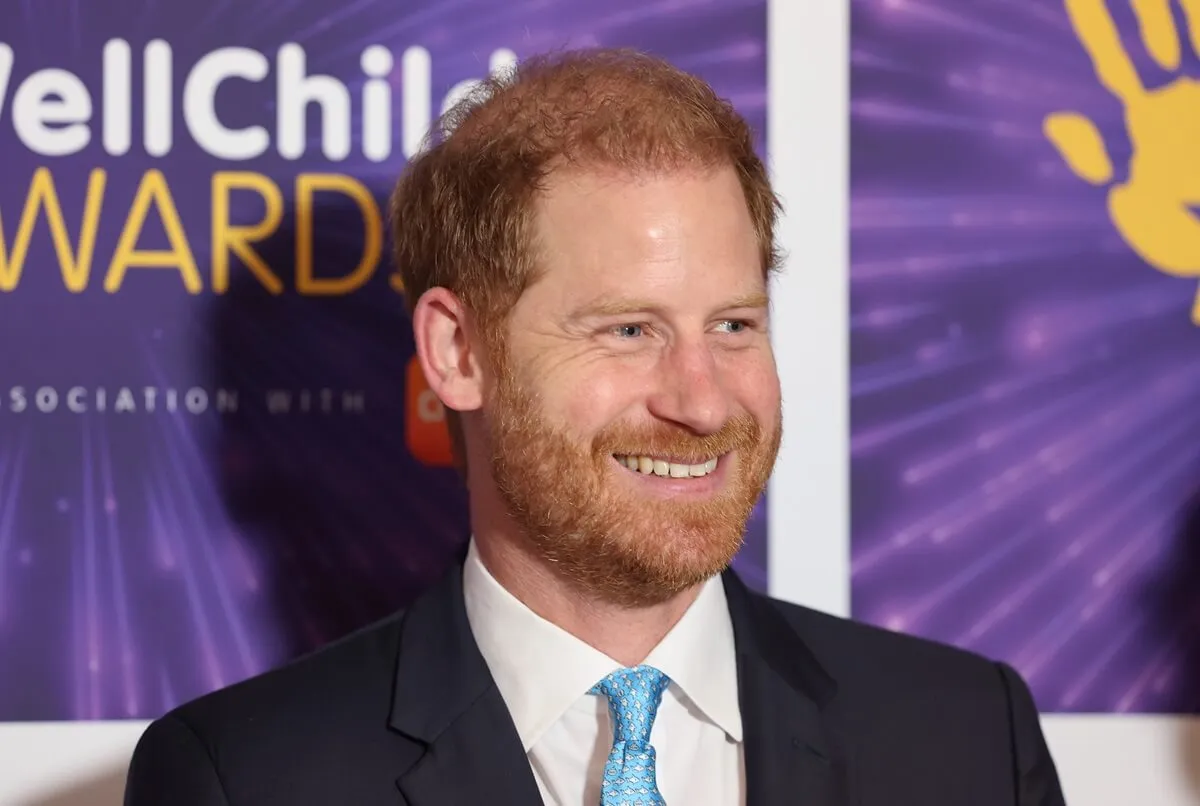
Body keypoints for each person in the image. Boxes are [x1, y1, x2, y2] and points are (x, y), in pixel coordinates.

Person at [123, 48, 1066, 806]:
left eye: (733, 325)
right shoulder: (242, 779)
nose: (700, 401)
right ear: (457, 353)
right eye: (628, 330)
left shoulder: (968, 739)